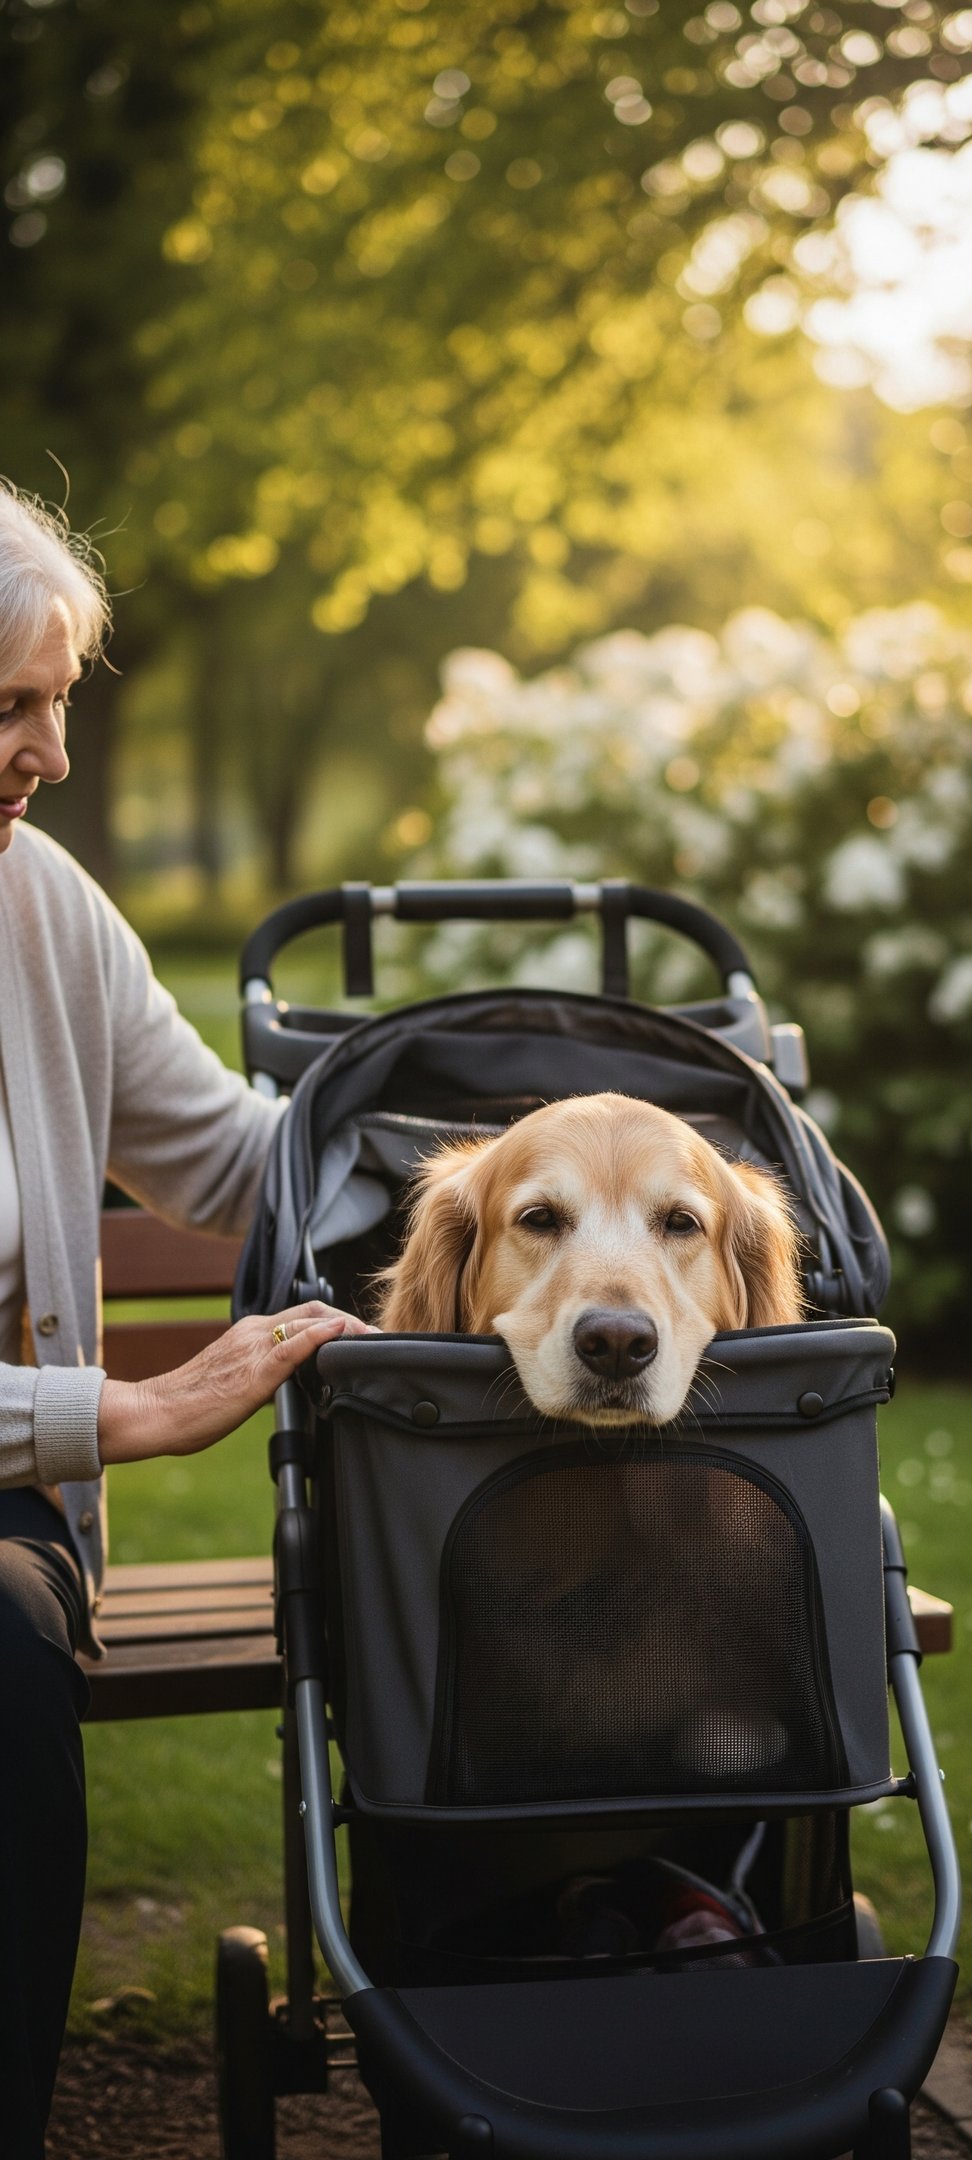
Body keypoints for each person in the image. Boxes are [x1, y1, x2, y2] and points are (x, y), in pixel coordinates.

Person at [0, 479, 371, 2157]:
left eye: (58, 701)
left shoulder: (38, 904)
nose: (52, 757)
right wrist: (121, 1417)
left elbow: (232, 1160)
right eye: (11, 707)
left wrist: (509, 1141)